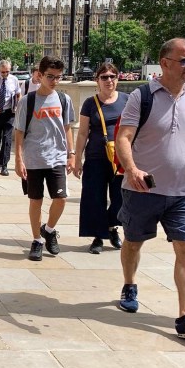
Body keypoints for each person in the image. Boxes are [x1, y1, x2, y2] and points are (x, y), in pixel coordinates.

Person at [115, 37, 185, 339]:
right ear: (165, 62)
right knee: (132, 242)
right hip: (142, 190)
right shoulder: (142, 96)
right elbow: (124, 138)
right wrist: (132, 170)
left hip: (183, 193)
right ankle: (130, 284)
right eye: (184, 60)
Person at [13, 56, 75, 261]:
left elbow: (67, 129)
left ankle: (49, 229)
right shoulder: (27, 101)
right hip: (34, 158)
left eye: (59, 77)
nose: (55, 81)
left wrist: (71, 154)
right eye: (50, 76)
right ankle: (37, 240)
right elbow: (19, 132)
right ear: (39, 75)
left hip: (57, 157)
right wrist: (18, 160)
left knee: (61, 198)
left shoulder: (65, 100)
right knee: (36, 200)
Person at [73, 63, 128, 253]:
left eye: (112, 76)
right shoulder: (90, 103)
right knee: (94, 197)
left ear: (118, 79)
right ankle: (98, 236)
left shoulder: (127, 101)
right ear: (97, 80)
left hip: (121, 158)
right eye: (104, 77)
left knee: (121, 197)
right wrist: (77, 158)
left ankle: (111, 226)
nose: (109, 80)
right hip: (96, 156)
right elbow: (82, 133)